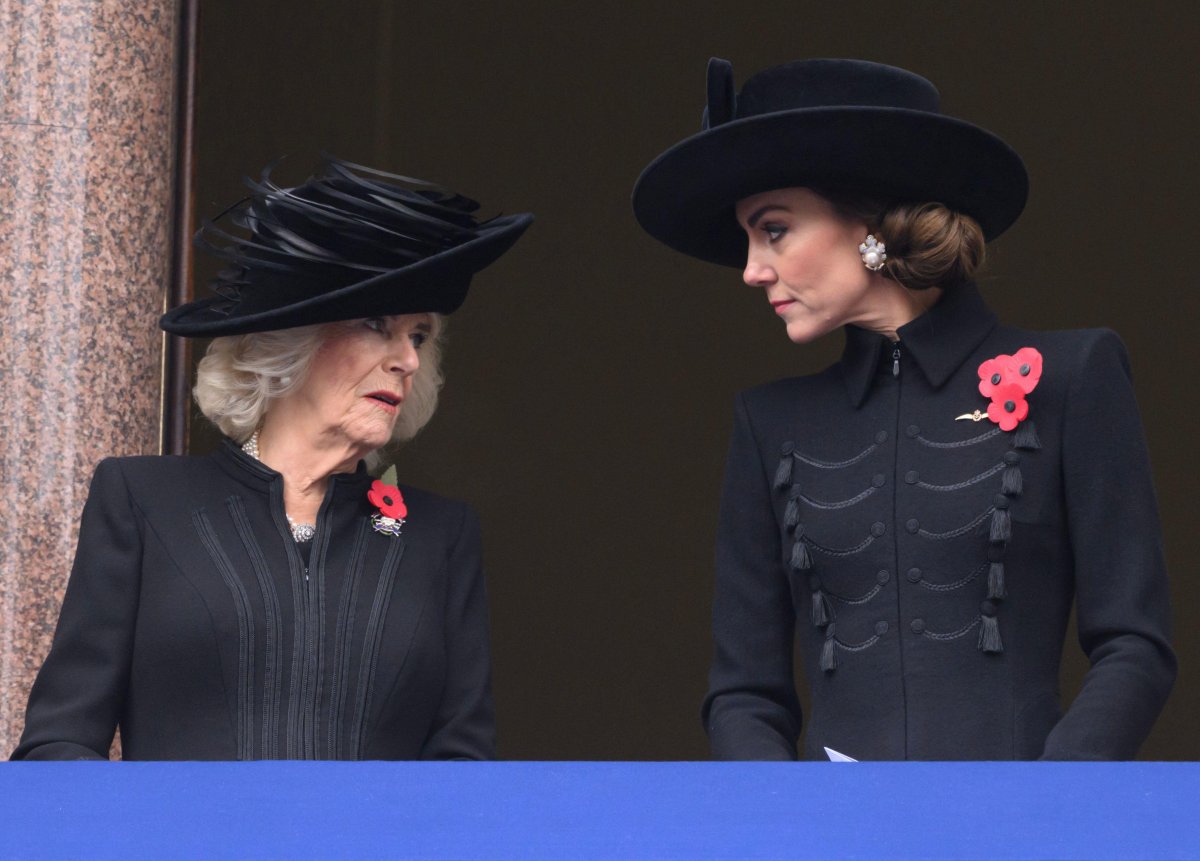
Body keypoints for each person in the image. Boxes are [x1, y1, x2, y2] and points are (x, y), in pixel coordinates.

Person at [632, 58, 1175, 760]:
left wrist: (1044, 806)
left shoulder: (1073, 376)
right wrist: (790, 826)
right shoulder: (767, 424)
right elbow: (744, 693)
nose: (751, 269)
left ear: (870, 226)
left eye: (772, 229)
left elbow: (1135, 644)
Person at [12, 156, 533, 760]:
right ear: (289, 340)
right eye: (376, 324)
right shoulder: (144, 500)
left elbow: (463, 770)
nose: (408, 359)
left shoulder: (440, 536)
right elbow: (60, 744)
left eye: (418, 336)